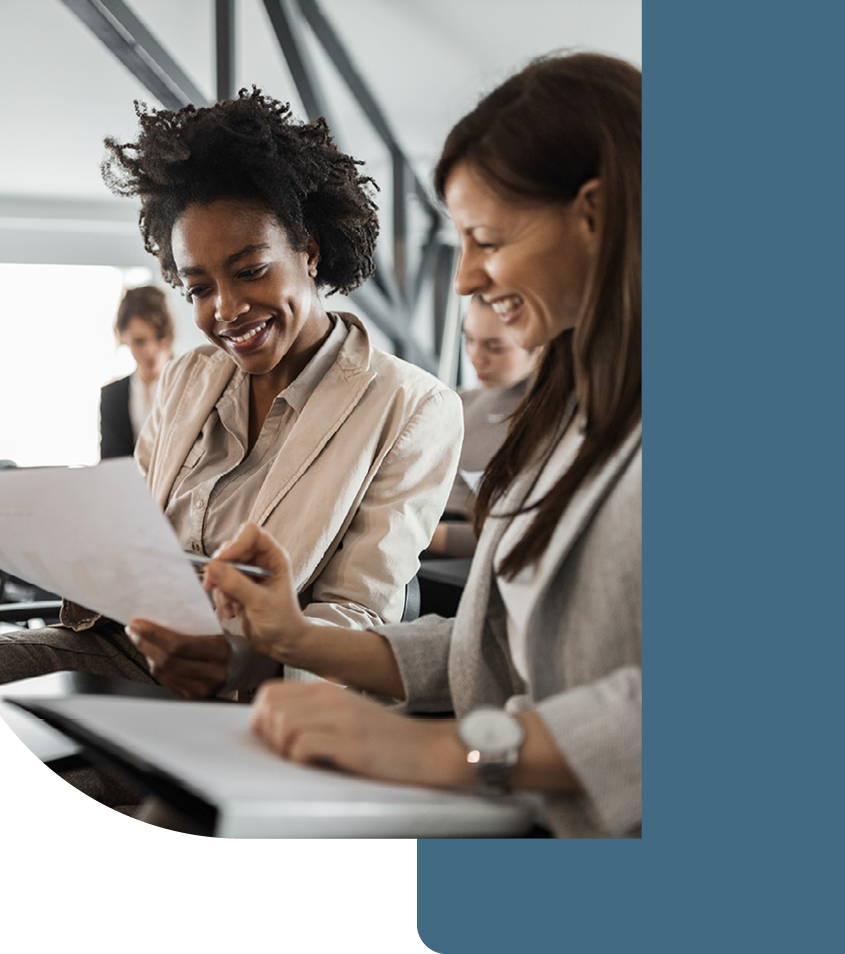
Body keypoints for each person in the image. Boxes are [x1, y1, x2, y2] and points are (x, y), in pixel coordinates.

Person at [200, 53, 642, 838]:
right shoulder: (563, 418)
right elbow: (484, 656)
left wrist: (448, 753)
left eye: (484, 238)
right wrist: (296, 636)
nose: (466, 276)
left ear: (596, 213)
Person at [0, 88, 462, 710]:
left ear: (308, 251)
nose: (224, 311)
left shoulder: (411, 406)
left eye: (250, 270)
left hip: (252, 695)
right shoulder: (186, 379)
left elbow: (358, 612)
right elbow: (134, 540)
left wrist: (240, 660)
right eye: (199, 287)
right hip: (121, 648)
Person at [428, 292, 538, 557]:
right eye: (470, 340)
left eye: (495, 347)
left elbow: (525, 537)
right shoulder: (457, 401)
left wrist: (415, 535)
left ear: (539, 343)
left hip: (450, 565)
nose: (476, 358)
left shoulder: (552, 422)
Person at [100, 285, 175, 459]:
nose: (150, 350)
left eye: (159, 338)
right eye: (139, 341)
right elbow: (110, 462)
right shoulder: (112, 396)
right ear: (124, 338)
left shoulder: (194, 386)